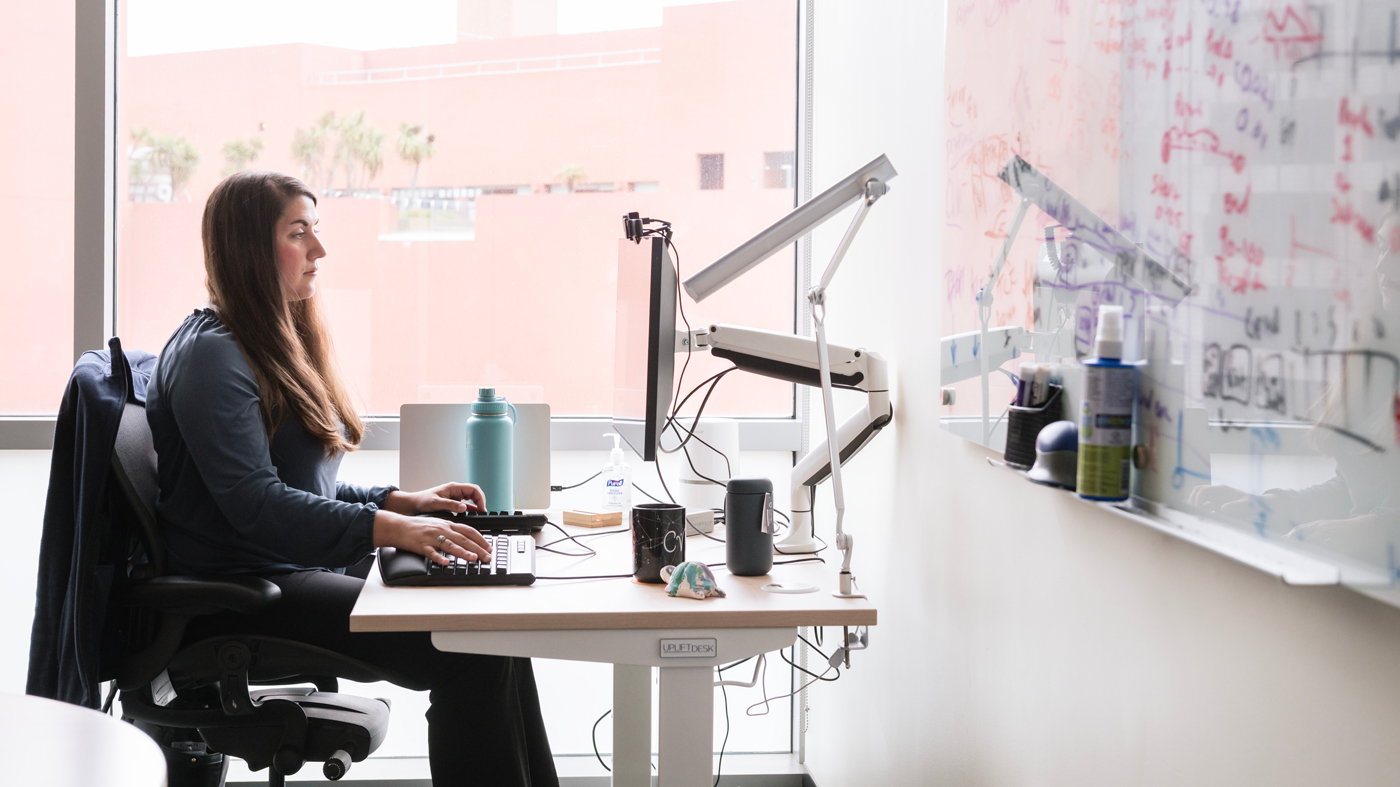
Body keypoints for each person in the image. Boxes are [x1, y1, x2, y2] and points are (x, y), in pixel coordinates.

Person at [145, 170, 557, 786]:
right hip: (240, 595)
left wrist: (401, 503)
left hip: (281, 570)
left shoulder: (256, 344)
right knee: (471, 650)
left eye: (316, 231)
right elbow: (257, 505)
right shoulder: (213, 358)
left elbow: (299, 490)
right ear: (250, 249)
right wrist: (391, 528)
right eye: (299, 233)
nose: (319, 250)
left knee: (491, 631)